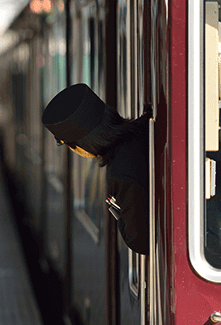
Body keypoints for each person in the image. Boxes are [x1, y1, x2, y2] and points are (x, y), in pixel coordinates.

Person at [42, 83, 150, 255]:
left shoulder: (120, 174)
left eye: (70, 146)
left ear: (83, 144)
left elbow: (139, 242)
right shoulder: (143, 126)